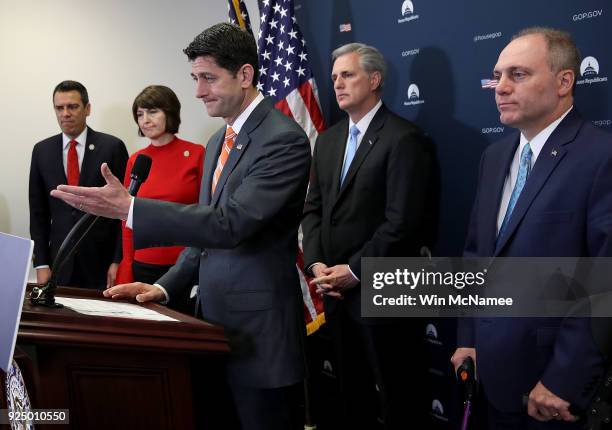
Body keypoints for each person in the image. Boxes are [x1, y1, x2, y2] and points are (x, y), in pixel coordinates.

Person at [51, 23, 311, 430]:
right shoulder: (217, 143)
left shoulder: (284, 139)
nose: (198, 91)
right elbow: (202, 238)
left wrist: (132, 209)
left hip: (259, 338)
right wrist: (164, 286)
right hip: (210, 328)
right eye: (195, 78)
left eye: (208, 78)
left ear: (245, 75)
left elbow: (229, 225)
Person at [451, 27, 612, 429]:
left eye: (517, 75)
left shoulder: (600, 158)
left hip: (554, 392)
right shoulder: (494, 156)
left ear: (564, 82)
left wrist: (564, 379)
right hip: (490, 377)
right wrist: (468, 337)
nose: (500, 88)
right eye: (497, 75)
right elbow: (476, 258)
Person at [301, 43, 435, 429]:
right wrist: (316, 263)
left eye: (348, 75)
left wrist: (354, 271)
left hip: (381, 292)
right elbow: (313, 210)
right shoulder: (327, 141)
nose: (337, 84)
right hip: (336, 294)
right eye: (334, 77)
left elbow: (402, 223)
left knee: (399, 398)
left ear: (374, 80)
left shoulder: (402, 138)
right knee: (351, 396)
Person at [29, 80, 128, 289]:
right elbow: (38, 214)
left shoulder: (112, 147)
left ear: (87, 108)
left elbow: (124, 211)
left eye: (72, 106)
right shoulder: (41, 151)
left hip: (100, 263)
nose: (65, 113)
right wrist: (41, 263)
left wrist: (118, 260)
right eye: (59, 107)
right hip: (58, 262)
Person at [115, 85, 205, 308]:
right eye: (139, 114)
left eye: (152, 111)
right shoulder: (137, 160)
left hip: (183, 267)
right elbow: (127, 219)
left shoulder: (196, 154)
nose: (145, 120)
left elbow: (207, 216)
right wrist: (126, 265)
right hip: (142, 265)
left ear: (170, 112)